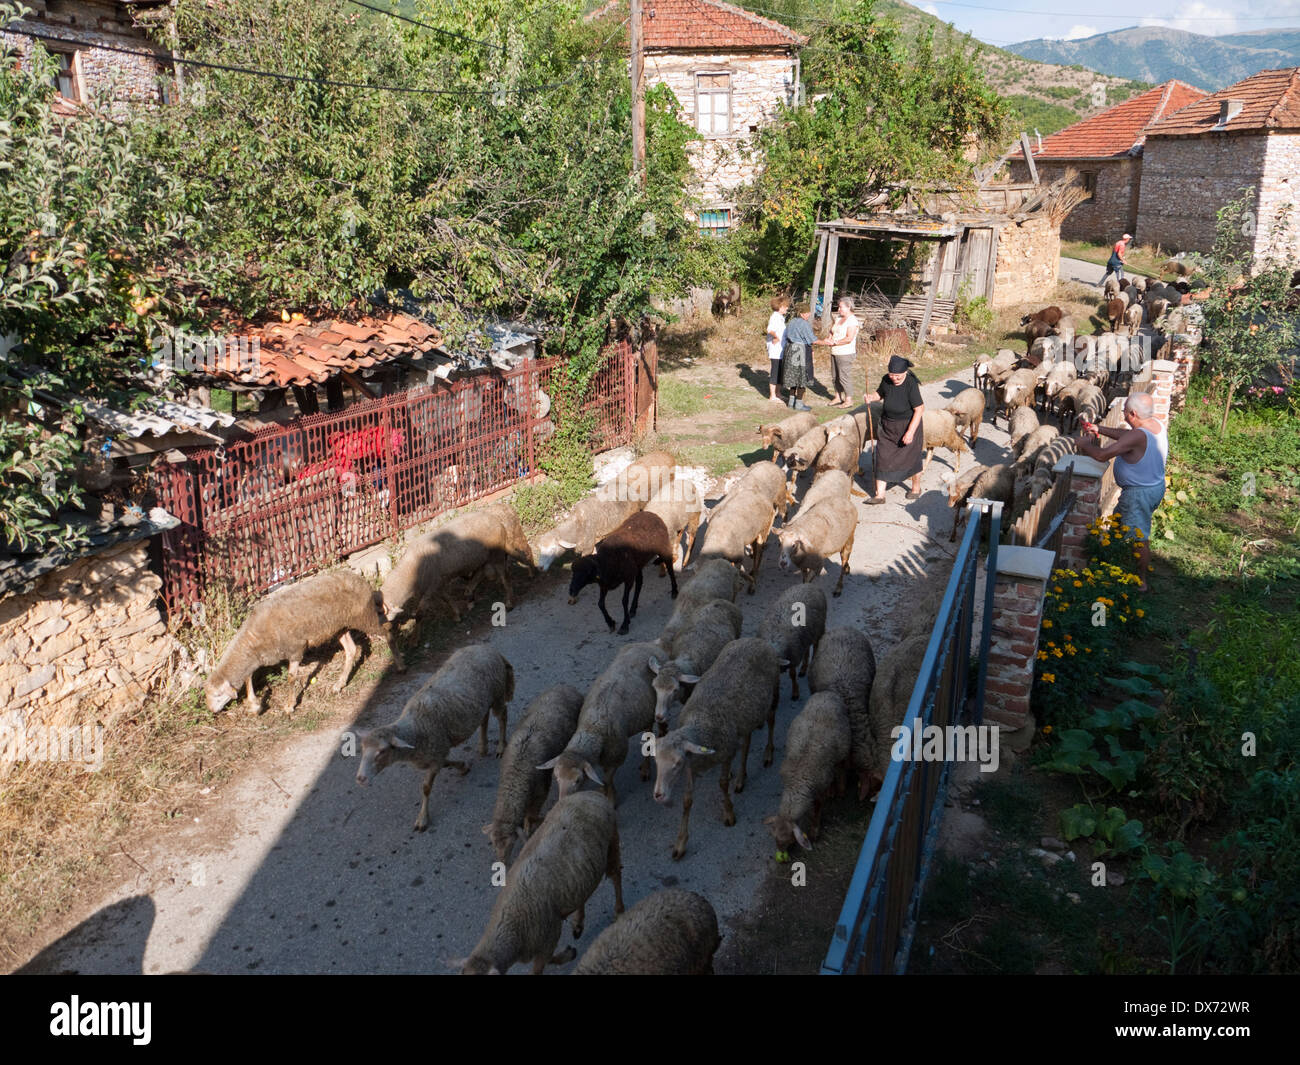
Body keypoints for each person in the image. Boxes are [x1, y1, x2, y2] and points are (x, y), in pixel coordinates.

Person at [1072, 391, 1167, 591]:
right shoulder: (1155, 425)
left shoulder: (1139, 435)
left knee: (1138, 537)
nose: (1123, 414)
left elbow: (1102, 455)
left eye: (1124, 412)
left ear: (1133, 414)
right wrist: (1099, 428)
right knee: (1120, 527)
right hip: (1152, 488)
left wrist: (1084, 445)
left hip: (1138, 494)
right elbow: (1127, 436)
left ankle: (1139, 582)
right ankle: (1115, 564)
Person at [863, 354, 924, 503]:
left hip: (907, 426)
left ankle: (916, 488)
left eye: (897, 376)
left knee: (912, 459)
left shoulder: (910, 383)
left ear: (904, 373)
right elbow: (880, 393)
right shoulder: (886, 379)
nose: (894, 378)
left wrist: (910, 432)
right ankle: (880, 495)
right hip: (888, 426)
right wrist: (872, 397)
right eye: (892, 374)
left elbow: (919, 409)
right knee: (883, 457)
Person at [813, 297, 861, 408]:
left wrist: (835, 342)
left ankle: (848, 400)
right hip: (835, 351)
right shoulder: (839, 318)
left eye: (841, 307)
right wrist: (829, 338)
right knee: (835, 377)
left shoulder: (852, 320)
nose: (839, 309)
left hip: (846, 353)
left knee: (844, 376)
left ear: (849, 307)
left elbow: (849, 338)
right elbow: (832, 330)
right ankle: (837, 397)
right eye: (838, 306)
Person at [780, 302, 816, 411]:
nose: (809, 314)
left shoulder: (791, 322)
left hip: (790, 349)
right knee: (801, 377)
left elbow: (786, 336)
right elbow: (812, 340)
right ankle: (799, 404)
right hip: (800, 351)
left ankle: (791, 402)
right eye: (807, 312)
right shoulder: (804, 324)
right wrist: (826, 342)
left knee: (793, 376)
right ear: (801, 313)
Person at [765, 295, 789, 403]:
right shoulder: (775, 316)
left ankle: (778, 393)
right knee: (775, 372)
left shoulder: (781, 317)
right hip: (775, 349)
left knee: (780, 372)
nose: (787, 308)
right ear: (780, 306)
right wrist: (776, 337)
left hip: (781, 349)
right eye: (785, 306)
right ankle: (772, 395)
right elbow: (769, 329)